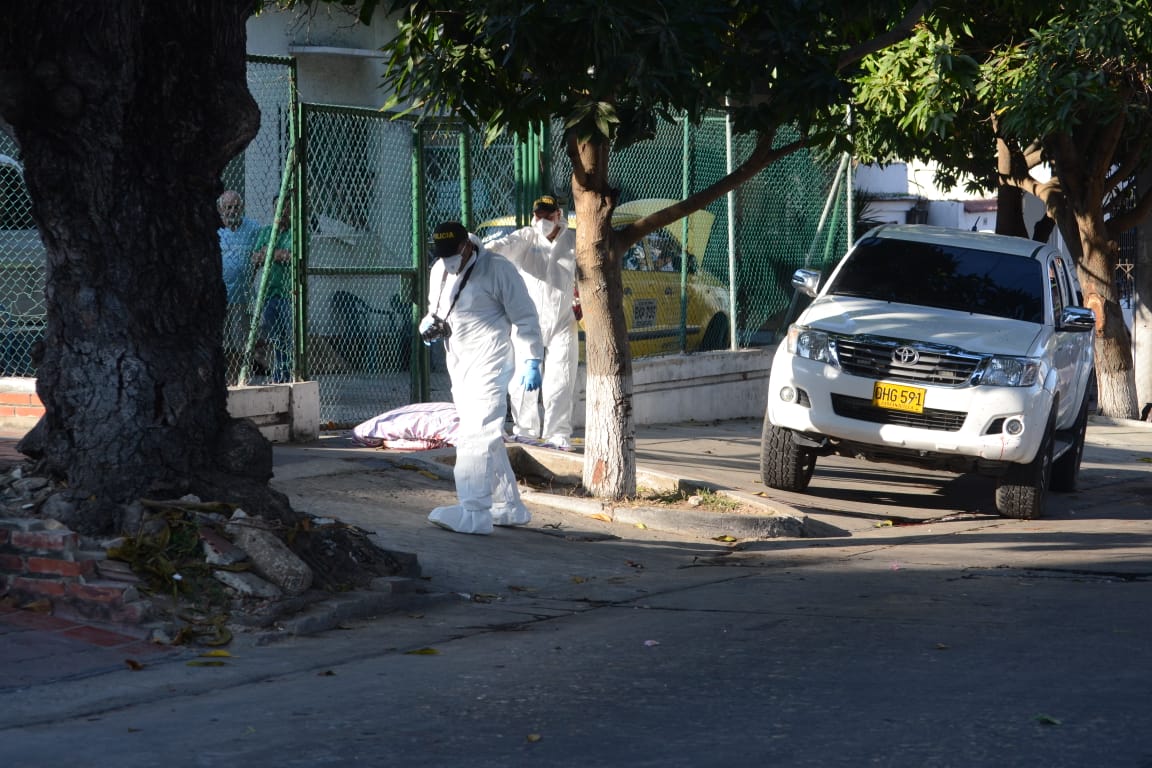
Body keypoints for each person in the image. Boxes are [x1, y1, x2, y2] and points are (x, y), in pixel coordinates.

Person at [420, 221, 545, 535]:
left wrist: (532, 359)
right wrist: (428, 325)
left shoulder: (499, 269)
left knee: (475, 434)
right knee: (486, 435)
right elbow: (437, 309)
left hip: (492, 360)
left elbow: (526, 317)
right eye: (442, 254)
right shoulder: (439, 270)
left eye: (452, 253)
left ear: (466, 245)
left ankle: (473, 512)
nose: (448, 260)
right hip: (459, 362)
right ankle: (508, 506)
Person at [485, 194, 578, 450]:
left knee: (561, 381)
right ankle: (525, 431)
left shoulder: (572, 242)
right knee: (521, 383)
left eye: (548, 216)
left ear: (559, 216)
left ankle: (557, 434)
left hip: (562, 323)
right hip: (527, 323)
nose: (542, 220)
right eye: (538, 215)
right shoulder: (526, 238)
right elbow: (499, 247)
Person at [217, 190, 261, 378]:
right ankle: (222, 376)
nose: (232, 211)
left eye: (236, 207)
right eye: (228, 207)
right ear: (221, 209)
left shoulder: (252, 228)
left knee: (241, 339)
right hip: (219, 295)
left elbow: (260, 253)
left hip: (242, 295)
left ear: (241, 207)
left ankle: (242, 375)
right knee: (220, 339)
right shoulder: (216, 230)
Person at [251, 195, 293, 383]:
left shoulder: (296, 233)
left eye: (285, 207)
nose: (282, 212)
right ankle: (279, 374)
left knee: (288, 335)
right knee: (275, 335)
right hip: (269, 292)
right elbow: (256, 258)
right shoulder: (266, 232)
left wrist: (269, 252)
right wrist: (275, 254)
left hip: (289, 293)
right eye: (278, 207)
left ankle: (290, 373)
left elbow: (290, 256)